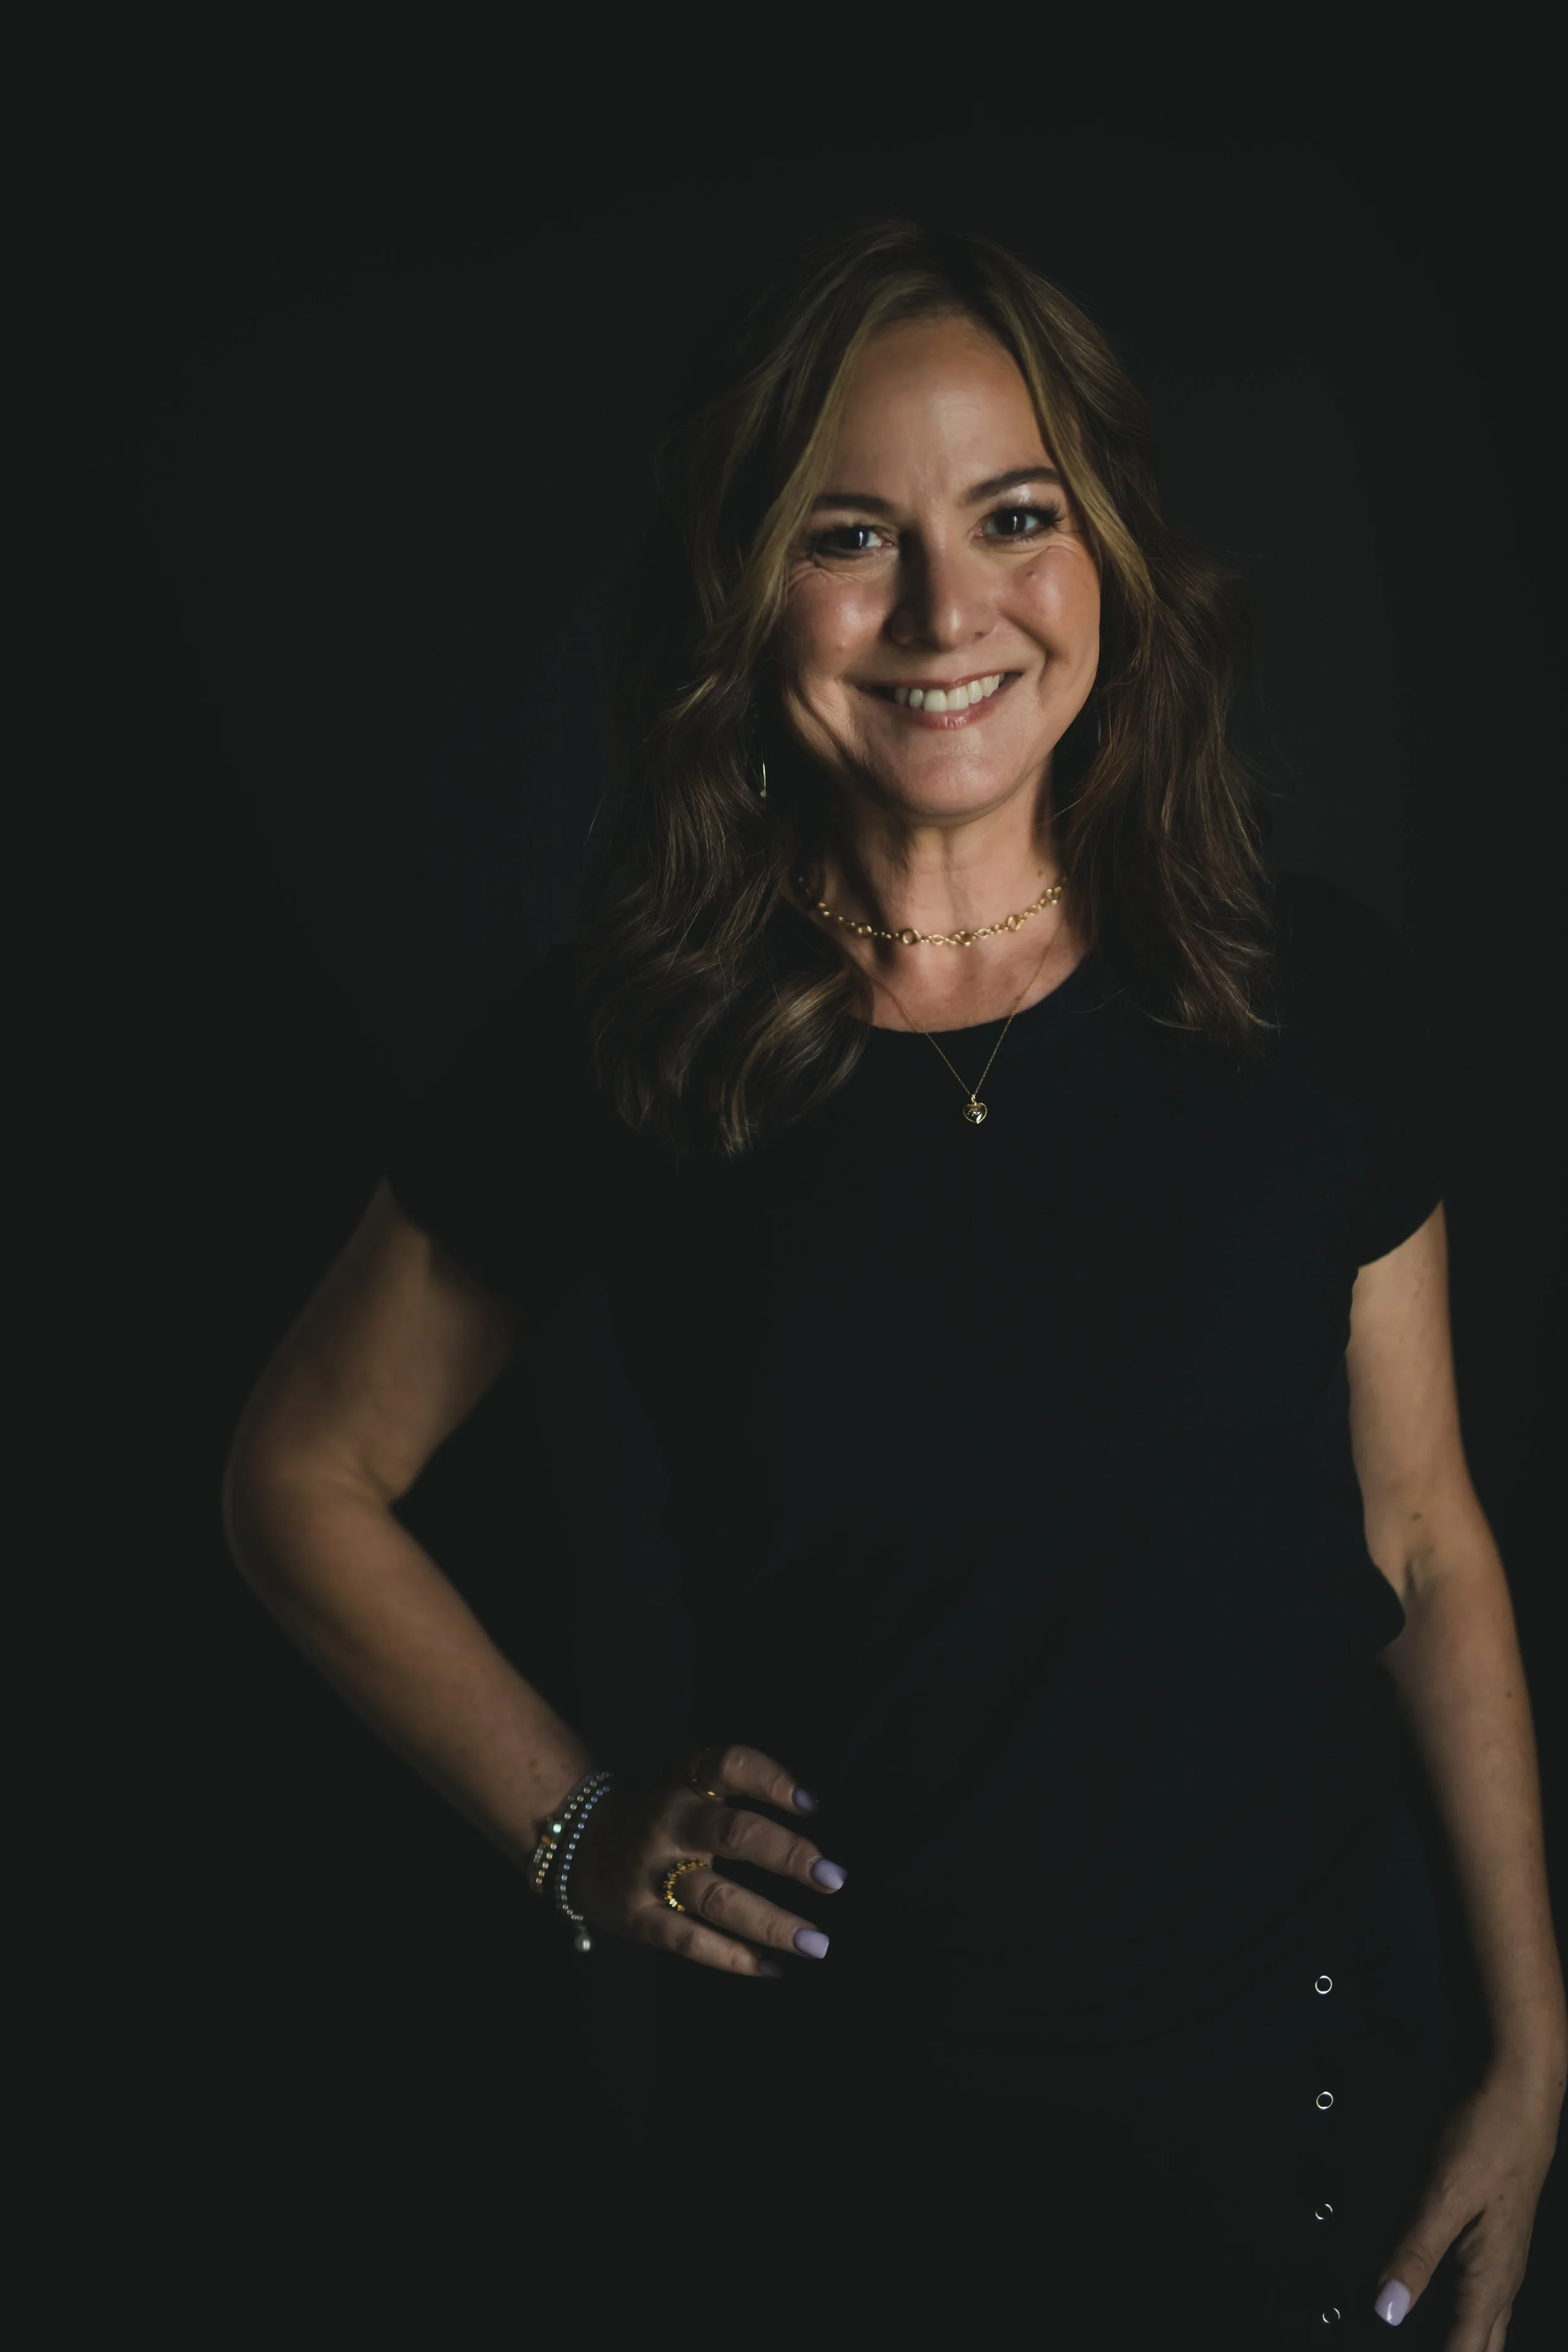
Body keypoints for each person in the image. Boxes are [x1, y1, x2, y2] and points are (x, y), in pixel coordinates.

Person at [222, 220, 1562, 2346]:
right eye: (853, 538)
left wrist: (1530, 2049)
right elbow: (299, 1469)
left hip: (1308, 2110)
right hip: (852, 2166)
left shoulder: (1310, 1006)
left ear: (1102, 546)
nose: (949, 613)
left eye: (1013, 518)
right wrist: (574, 1826)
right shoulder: (635, 1044)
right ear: (748, 594)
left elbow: (1423, 1538)